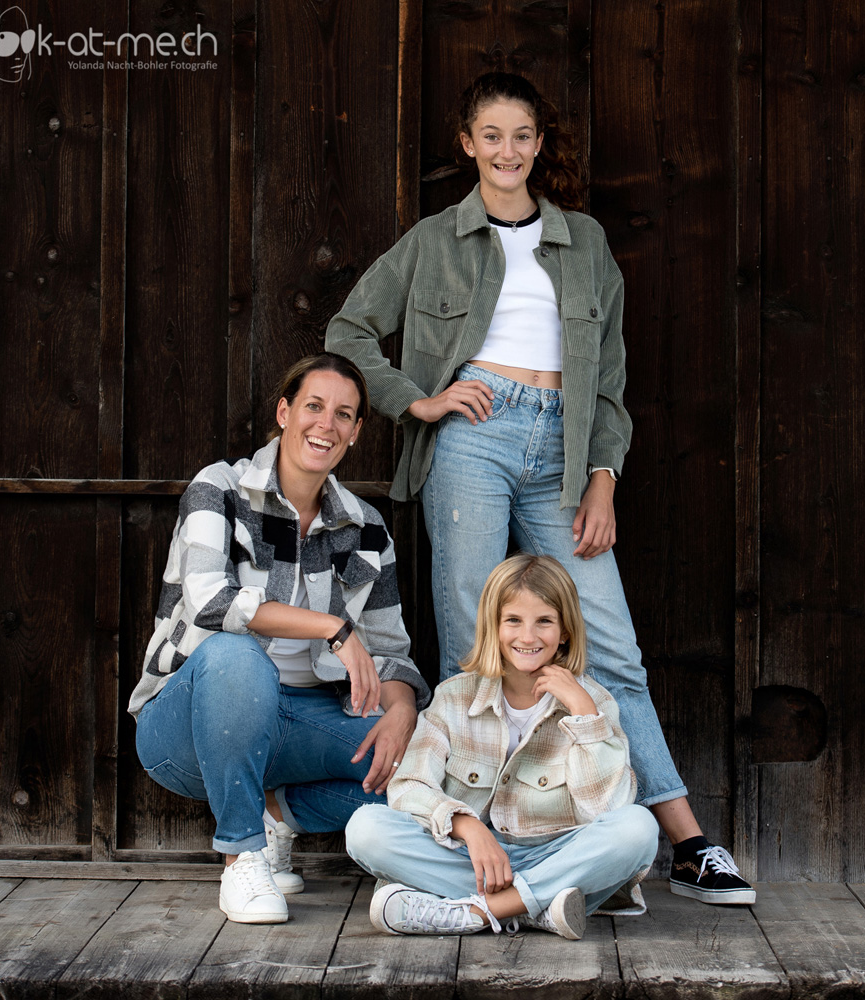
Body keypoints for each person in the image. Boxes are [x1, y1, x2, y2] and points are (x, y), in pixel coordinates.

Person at [327, 72, 754, 905]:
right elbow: (350, 329)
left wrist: (602, 478)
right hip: (473, 438)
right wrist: (418, 401)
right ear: (468, 144)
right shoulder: (433, 239)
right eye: (491, 135)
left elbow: (609, 383)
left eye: (521, 135)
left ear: (538, 143)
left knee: (611, 646)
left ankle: (688, 845)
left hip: (564, 448)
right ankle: (481, 843)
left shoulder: (583, 241)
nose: (507, 151)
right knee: (472, 643)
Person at [128, 353, 431, 924]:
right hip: (189, 726)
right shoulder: (219, 488)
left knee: (422, 766)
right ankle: (241, 857)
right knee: (235, 655)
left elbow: (391, 653)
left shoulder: (366, 528)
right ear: (285, 412)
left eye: (344, 414)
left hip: (302, 719)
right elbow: (212, 602)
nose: (326, 424)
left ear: (356, 432)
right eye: (314, 406)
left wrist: (402, 712)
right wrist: (332, 627)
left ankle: (276, 816)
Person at [346, 554, 659, 938]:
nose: (527, 637)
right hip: (473, 859)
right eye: (513, 620)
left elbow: (610, 809)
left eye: (544, 621)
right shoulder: (454, 697)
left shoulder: (594, 703)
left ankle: (480, 911)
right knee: (366, 829)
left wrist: (583, 714)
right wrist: (467, 827)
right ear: (493, 627)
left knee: (638, 829)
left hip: (557, 856)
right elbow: (409, 786)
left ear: (565, 631)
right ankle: (536, 908)